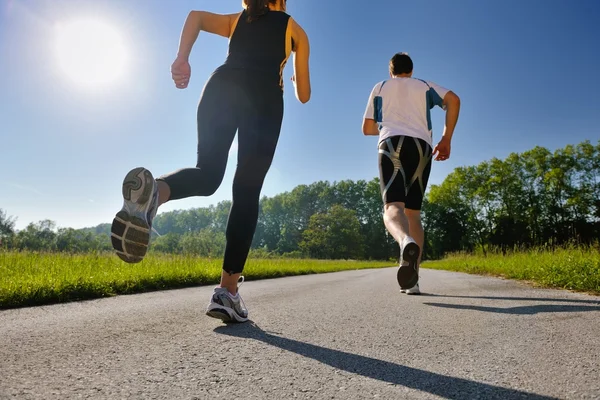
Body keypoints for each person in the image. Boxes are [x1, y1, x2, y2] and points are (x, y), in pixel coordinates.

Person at [110, 0, 311, 322]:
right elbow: (304, 94)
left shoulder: (238, 19)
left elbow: (196, 17)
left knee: (207, 173)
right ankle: (227, 292)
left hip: (220, 86)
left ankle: (156, 191)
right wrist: (294, 79)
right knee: (246, 189)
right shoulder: (294, 29)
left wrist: (182, 58)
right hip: (264, 97)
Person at [362, 53, 460, 295]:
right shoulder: (424, 85)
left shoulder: (381, 86)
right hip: (422, 146)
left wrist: (388, 125)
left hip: (391, 144)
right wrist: (446, 139)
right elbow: (454, 100)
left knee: (392, 207)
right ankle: (413, 280)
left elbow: (367, 128)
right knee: (413, 213)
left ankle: (405, 241)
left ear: (391, 70)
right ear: (411, 70)